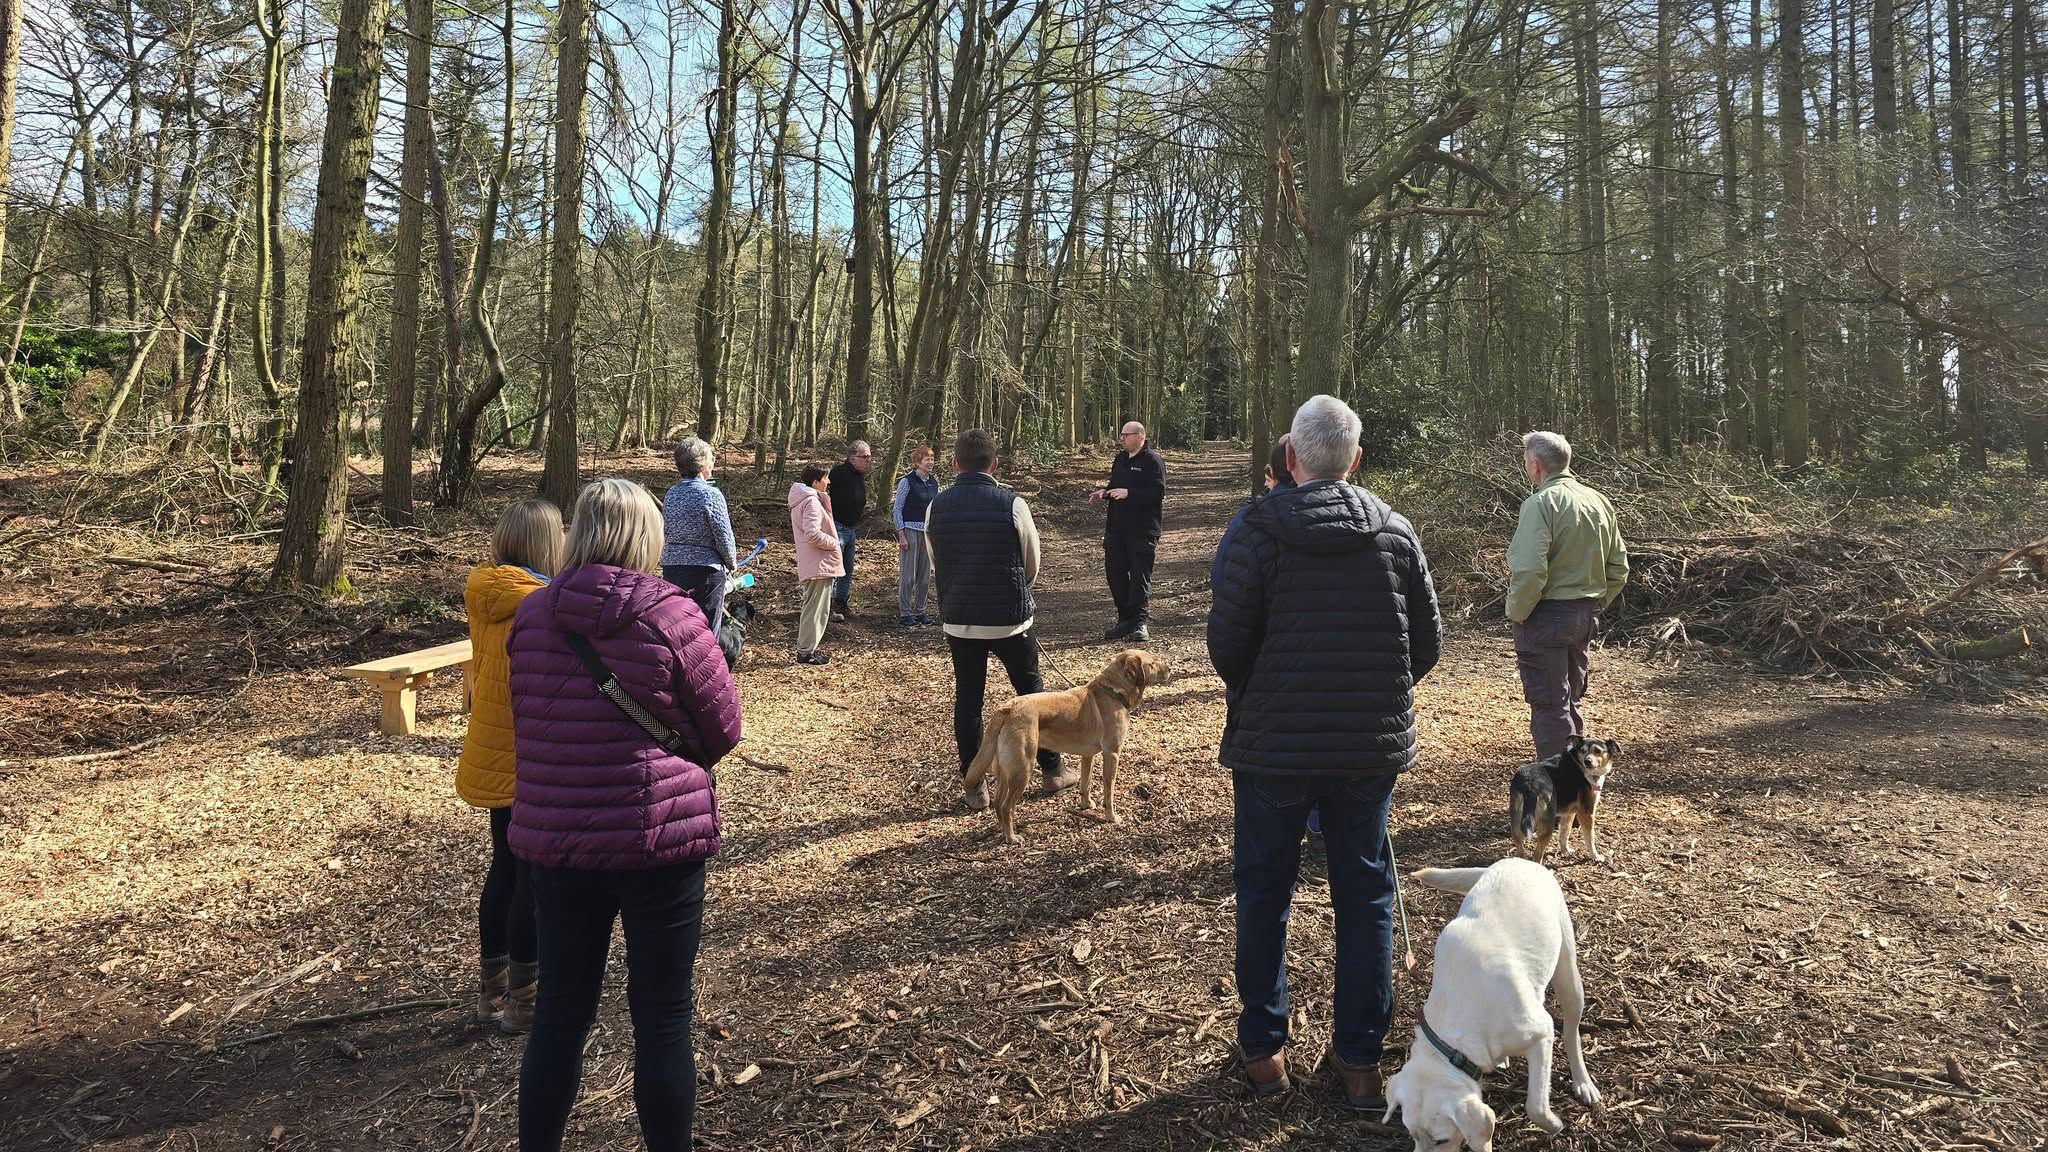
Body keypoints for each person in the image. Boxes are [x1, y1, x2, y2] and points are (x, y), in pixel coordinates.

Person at [1207, 395, 1442, 1111]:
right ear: (1355, 459)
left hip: (1275, 748)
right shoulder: (1394, 532)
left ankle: (1266, 1053)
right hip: (1365, 751)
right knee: (1365, 895)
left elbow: (1226, 646)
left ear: (1292, 459)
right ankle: (1361, 1061)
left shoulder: (1255, 529)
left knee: (1265, 890)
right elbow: (1425, 646)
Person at [506, 478, 741, 1152]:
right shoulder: (672, 615)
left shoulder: (533, 615)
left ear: (578, 533)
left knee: (558, 1015)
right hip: (657, 842)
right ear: (648, 539)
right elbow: (723, 729)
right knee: (663, 1020)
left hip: (557, 843)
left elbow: (532, 718)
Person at [458, 498, 562, 1032]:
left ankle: (491, 986)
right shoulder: (541, 602)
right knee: (529, 875)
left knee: (503, 865)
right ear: (547, 542)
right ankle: (525, 994)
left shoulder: (484, 593)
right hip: (527, 750)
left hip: (490, 744)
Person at [925, 428, 1070, 807]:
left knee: (968, 698)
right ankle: (1053, 770)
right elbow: (1031, 561)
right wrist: (1019, 589)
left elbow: (935, 561)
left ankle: (974, 786)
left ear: (955, 464)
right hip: (1010, 620)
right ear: (995, 463)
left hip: (960, 620)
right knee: (1032, 695)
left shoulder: (935, 507)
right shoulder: (1013, 504)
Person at [1506, 431, 1629, 758]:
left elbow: (1531, 570)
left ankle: (1560, 792)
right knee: (1568, 699)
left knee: (1550, 705)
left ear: (1535, 465)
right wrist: (1595, 604)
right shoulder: (1599, 501)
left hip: (1545, 616)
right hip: (1585, 615)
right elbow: (1619, 567)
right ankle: (1576, 787)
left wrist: (1517, 612)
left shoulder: (1540, 504)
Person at [1088, 421, 1165, 642]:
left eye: (1126, 435)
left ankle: (1140, 623)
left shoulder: (1152, 460)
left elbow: (1157, 493)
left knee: (1140, 578)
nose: (1121, 438)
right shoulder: (1120, 459)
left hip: (1143, 531)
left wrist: (1130, 493)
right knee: (1115, 575)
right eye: (1121, 434)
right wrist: (1104, 492)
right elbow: (1115, 486)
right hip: (1116, 530)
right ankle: (1125, 621)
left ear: (1139, 437)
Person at [660, 436, 738, 637]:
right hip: (705, 572)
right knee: (706, 632)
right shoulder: (710, 494)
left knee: (678, 626)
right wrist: (731, 562)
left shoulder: (671, 493)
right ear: (702, 463)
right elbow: (723, 534)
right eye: (712, 458)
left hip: (672, 569)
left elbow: (666, 529)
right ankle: (707, 669)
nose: (713, 463)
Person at [789, 463, 843, 665]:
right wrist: (833, 543)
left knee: (815, 607)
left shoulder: (805, 499)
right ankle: (806, 653)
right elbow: (812, 533)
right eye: (825, 478)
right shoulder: (810, 501)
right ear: (815, 482)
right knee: (816, 609)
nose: (828, 482)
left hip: (815, 562)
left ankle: (807, 650)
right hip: (818, 562)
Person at [892, 445, 939, 627]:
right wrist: (901, 534)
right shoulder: (907, 482)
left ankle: (920, 612)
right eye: (927, 459)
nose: (930, 462)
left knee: (925, 576)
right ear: (917, 461)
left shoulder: (933, 482)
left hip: (928, 532)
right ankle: (905, 613)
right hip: (910, 531)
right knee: (909, 575)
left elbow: (936, 507)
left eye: (932, 459)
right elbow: (897, 509)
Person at [827, 441, 874, 620]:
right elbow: (823, 493)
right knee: (833, 569)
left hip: (851, 528)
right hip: (837, 527)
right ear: (853, 458)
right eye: (865, 457)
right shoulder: (839, 473)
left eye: (870, 456)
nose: (869, 460)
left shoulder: (858, 475)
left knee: (847, 568)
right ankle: (828, 607)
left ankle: (841, 603)